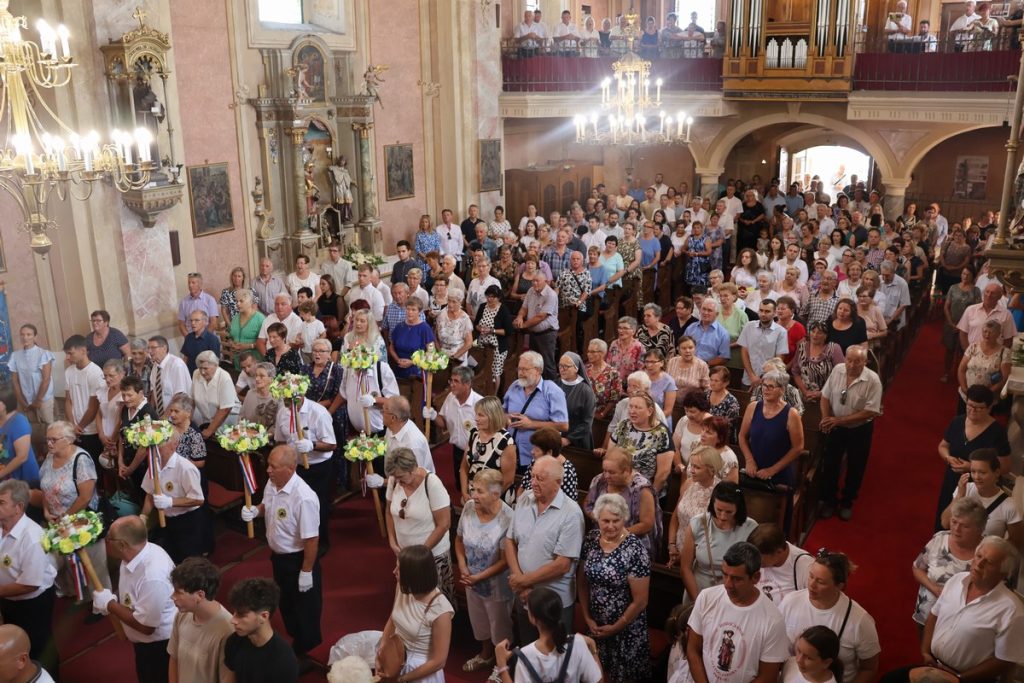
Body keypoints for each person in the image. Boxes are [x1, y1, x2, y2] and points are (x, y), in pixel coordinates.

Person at [880, 537, 1024, 683]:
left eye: (989, 562)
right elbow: (934, 615)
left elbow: (1005, 661)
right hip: (933, 665)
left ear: (1003, 574)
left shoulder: (1011, 610)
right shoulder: (957, 580)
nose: (979, 564)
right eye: (979, 556)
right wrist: (925, 652)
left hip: (968, 678)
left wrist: (958, 678)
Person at [239, 446, 322, 667]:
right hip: (279, 557)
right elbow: (268, 505)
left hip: (298, 559)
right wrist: (256, 510)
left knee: (304, 606)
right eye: (269, 465)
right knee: (286, 603)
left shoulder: (304, 497)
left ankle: (306, 652)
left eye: (273, 467)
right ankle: (296, 638)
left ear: (290, 468)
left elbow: (312, 539)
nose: (268, 470)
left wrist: (306, 571)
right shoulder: (273, 483)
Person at [504, 455, 585, 643]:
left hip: (553, 601)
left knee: (555, 655)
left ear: (558, 482)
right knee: (527, 646)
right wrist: (521, 583)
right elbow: (509, 541)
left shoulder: (571, 513)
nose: (533, 483)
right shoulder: (525, 499)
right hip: (524, 596)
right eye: (532, 476)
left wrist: (523, 581)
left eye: (540, 478)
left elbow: (562, 565)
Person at [686, 542, 789, 683]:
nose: (728, 584)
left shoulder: (773, 620)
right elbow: (693, 649)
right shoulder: (706, 598)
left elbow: (767, 676)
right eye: (725, 575)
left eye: (736, 579)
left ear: (756, 577)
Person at [33, 420, 111, 606]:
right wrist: (45, 510)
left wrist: (65, 517)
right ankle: (77, 593)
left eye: (53, 440)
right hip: (58, 521)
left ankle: (101, 603)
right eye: (47, 440)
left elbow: (85, 497)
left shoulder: (81, 460)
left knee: (93, 564)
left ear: (68, 440)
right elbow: (44, 487)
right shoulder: (50, 457)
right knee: (69, 561)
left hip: (81, 520)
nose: (49, 444)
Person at [92, 516, 177, 682]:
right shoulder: (133, 554)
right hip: (143, 642)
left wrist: (110, 604)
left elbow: (146, 627)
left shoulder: (152, 575)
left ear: (122, 545)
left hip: (159, 646)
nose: (106, 542)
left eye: (109, 539)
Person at [578, 492, 652, 682]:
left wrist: (617, 626)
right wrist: (587, 617)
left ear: (624, 519)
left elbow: (641, 600)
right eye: (605, 521)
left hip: (626, 628)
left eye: (616, 520)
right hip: (597, 625)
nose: (610, 526)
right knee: (596, 675)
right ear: (597, 519)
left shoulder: (635, 549)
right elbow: (582, 582)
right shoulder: (591, 540)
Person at [779, 549, 881, 683]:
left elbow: (869, 668)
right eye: (810, 576)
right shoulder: (790, 602)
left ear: (839, 586)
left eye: (820, 582)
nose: (811, 585)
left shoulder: (860, 621)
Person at [454, 469, 514, 678]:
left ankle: (501, 665)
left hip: (497, 585)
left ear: (496, 494)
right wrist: (463, 566)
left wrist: (479, 576)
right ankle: (486, 654)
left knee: (500, 626)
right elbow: (459, 540)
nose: (473, 495)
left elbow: (506, 560)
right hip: (471, 579)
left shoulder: (508, 518)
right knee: (479, 621)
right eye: (473, 489)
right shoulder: (469, 508)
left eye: (479, 491)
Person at [0, 480, 57, 677]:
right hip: (9, 598)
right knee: (16, 646)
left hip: (32, 603)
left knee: (37, 646)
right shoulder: (2, 526)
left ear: (18, 507)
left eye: (1, 502)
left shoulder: (32, 537)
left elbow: (30, 585)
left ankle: (46, 677)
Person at [819, 346, 883, 521]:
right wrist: (826, 418)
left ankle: (847, 501)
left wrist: (838, 420)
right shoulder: (838, 370)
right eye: (849, 360)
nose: (852, 365)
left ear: (865, 362)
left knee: (856, 467)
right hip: (835, 427)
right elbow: (825, 396)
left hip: (859, 430)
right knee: (831, 464)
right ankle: (829, 501)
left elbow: (871, 411)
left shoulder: (873, 380)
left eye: (857, 361)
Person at [384, 448, 453, 603]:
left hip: (431, 555)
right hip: (406, 555)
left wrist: (418, 555)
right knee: (410, 603)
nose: (397, 481)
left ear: (413, 469)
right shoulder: (395, 480)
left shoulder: (432, 483)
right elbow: (388, 512)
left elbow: (444, 524)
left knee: (434, 604)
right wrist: (392, 541)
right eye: (395, 477)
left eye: (401, 477)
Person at [378, 545, 454, 683]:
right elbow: (392, 619)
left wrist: (403, 679)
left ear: (413, 574)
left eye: (399, 569)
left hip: (420, 671)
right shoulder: (403, 587)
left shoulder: (440, 610)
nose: (394, 571)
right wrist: (381, 653)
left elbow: (439, 661)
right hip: (396, 659)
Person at [273, 388, 336, 553]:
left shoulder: (319, 412)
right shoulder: (283, 413)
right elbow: (280, 440)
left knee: (317, 505)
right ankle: (297, 541)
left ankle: (320, 543)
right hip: (294, 466)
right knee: (295, 503)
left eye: (290, 397)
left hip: (318, 466)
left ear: (301, 394)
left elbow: (331, 444)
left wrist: (312, 445)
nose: (287, 401)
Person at [495, 586, 602, 683]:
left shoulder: (526, 655)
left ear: (533, 618)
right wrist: (593, 647)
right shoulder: (578, 643)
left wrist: (502, 666)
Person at [913, 498, 988, 629]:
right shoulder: (940, 538)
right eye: (954, 522)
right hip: (926, 615)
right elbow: (917, 569)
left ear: (979, 529)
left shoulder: (988, 551)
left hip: (962, 626)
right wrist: (934, 588)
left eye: (964, 526)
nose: (956, 529)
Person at [680, 482, 759, 601]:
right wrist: (697, 600)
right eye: (719, 510)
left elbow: (756, 567)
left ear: (738, 509)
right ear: (712, 505)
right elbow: (685, 568)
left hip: (733, 593)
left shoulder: (751, 528)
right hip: (698, 590)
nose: (722, 516)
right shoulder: (698, 523)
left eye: (729, 512)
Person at [139, 431, 205, 563]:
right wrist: (143, 517)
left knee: (189, 561)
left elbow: (198, 499)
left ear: (174, 444)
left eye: (160, 443)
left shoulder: (186, 468)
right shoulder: (154, 465)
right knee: (170, 558)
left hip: (187, 522)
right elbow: (150, 494)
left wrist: (170, 501)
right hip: (167, 521)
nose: (155, 447)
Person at [583, 448, 660, 561]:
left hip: (631, 544)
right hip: (602, 538)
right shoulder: (600, 480)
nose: (606, 476)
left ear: (627, 471)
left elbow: (647, 524)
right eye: (605, 470)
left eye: (612, 472)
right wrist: (600, 519)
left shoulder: (641, 489)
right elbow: (588, 504)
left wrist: (617, 533)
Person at [167, 557, 234, 683]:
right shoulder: (182, 615)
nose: (172, 596)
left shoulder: (228, 631)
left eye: (178, 592)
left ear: (200, 595)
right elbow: (174, 658)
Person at [502, 351, 569, 471]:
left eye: (525, 369)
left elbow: (563, 426)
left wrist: (531, 424)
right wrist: (505, 418)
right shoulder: (514, 386)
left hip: (537, 456)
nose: (520, 373)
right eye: (519, 369)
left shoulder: (553, 391)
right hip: (510, 452)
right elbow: (502, 412)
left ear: (538, 370)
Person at [224, 578, 300, 682]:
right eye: (234, 612)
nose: (233, 620)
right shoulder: (233, 641)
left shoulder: (284, 661)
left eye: (241, 615)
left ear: (264, 616)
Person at [943, 448, 1023, 547]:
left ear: (997, 472)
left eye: (982, 472)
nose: (976, 477)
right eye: (973, 471)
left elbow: (1017, 543)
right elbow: (945, 523)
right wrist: (959, 496)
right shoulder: (965, 489)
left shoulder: (1009, 505)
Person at [739, 370, 805, 489]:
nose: (766, 389)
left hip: (779, 475)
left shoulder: (791, 414)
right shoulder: (753, 407)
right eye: (764, 385)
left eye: (771, 386)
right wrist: (749, 460)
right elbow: (742, 437)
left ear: (782, 389)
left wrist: (772, 470)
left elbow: (798, 448)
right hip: (753, 471)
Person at [606, 392, 673, 495]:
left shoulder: (661, 433)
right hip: (618, 485)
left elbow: (663, 473)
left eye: (638, 408)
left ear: (650, 411)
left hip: (645, 489)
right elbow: (609, 456)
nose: (632, 411)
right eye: (631, 406)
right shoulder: (623, 425)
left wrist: (650, 496)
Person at [432, 365, 482, 494]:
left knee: (477, 488)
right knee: (460, 487)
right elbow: (443, 424)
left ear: (467, 384)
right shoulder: (450, 398)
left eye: (456, 381)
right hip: (458, 451)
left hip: (477, 454)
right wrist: (433, 416)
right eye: (451, 380)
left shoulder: (479, 403)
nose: (452, 385)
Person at [957, 319, 1011, 409]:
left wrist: (987, 392)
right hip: (967, 395)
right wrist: (964, 388)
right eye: (985, 331)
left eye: (991, 332)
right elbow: (961, 370)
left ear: (998, 334)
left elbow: (1004, 378)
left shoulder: (1004, 352)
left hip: (987, 398)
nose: (987, 335)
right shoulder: (973, 347)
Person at [117, 376, 160, 488]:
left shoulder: (148, 413)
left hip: (143, 468)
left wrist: (130, 469)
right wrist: (120, 461)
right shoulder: (125, 408)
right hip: (126, 463)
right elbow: (122, 435)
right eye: (123, 395)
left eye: (129, 395)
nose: (125, 399)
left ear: (140, 393)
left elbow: (144, 448)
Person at [514, 273, 559, 379]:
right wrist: (520, 317)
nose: (534, 283)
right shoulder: (531, 291)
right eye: (533, 281)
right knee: (534, 363)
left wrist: (524, 325)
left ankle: (553, 389)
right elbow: (524, 308)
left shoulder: (551, 295)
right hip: (533, 333)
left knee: (547, 364)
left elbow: (540, 317)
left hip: (547, 334)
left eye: (537, 281)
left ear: (545, 282)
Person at [8, 325, 54, 427]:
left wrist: (38, 400)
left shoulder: (44, 354)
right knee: (29, 428)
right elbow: (15, 381)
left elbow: (46, 379)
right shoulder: (15, 356)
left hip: (43, 398)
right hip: (24, 400)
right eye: (22, 334)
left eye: (29, 334)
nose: (25, 337)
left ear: (35, 336)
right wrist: (21, 401)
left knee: (48, 427)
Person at [790, 322, 845, 401]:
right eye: (813, 331)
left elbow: (841, 375)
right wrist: (805, 391)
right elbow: (795, 372)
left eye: (819, 333)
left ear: (826, 335)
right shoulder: (802, 347)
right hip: (805, 397)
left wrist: (822, 393)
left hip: (829, 397)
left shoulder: (834, 349)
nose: (815, 335)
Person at [191, 351, 238, 439]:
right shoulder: (196, 373)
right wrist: (187, 421)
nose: (202, 372)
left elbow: (226, 408)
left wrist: (210, 429)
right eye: (200, 368)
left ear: (216, 365)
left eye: (206, 368)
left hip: (227, 421)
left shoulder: (224, 377)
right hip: (207, 420)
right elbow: (192, 400)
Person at [474, 285, 514, 386]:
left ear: (498, 297)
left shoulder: (503, 310)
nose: (489, 299)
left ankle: (493, 395)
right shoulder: (483, 306)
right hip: (482, 344)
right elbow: (476, 324)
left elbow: (508, 331)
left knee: (494, 373)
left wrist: (492, 330)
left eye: (493, 297)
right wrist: (480, 328)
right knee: (479, 368)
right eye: (488, 296)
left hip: (497, 346)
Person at [383, 396, 435, 473]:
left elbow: (414, 478)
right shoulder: (392, 427)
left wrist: (383, 482)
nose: (381, 414)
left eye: (383, 411)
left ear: (393, 418)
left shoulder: (413, 444)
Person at [556, 352, 596, 450]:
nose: (562, 369)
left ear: (576, 368)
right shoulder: (555, 384)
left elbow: (587, 422)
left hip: (578, 441)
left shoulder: (585, 391)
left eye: (566, 366)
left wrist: (568, 439)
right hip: (556, 439)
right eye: (560, 366)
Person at [0, 392, 39, 486]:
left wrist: (1, 474)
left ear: (6, 404)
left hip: (21, 477)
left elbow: (22, 457)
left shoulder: (19, 421)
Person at [148, 335, 192, 417]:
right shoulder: (155, 365)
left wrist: (165, 417)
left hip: (176, 416)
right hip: (162, 416)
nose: (149, 351)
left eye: (153, 348)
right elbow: (154, 390)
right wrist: (151, 413)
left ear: (164, 348)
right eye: (148, 348)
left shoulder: (176, 364)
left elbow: (179, 395)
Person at [226, 290, 266, 369]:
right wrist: (231, 343)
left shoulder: (260, 318)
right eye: (236, 301)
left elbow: (265, 342)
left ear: (250, 302)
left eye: (241, 301)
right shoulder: (235, 318)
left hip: (255, 363)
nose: (238, 304)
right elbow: (230, 336)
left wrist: (249, 346)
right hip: (238, 362)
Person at [585, 339, 622, 421]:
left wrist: (603, 414)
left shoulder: (612, 373)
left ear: (602, 353)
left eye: (593, 352)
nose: (589, 354)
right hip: (584, 415)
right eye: (588, 351)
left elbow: (615, 398)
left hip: (603, 418)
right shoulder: (584, 370)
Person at [689, 299, 732, 367]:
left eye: (709, 310)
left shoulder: (723, 333)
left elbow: (724, 357)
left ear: (717, 314)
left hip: (709, 369)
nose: (705, 313)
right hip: (688, 366)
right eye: (704, 309)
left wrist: (704, 364)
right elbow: (682, 346)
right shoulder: (691, 328)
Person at [435, 289, 473, 365]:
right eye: (449, 300)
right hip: (442, 354)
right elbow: (435, 335)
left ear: (460, 302)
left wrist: (454, 357)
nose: (450, 304)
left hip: (458, 358)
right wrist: (439, 352)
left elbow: (469, 343)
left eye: (454, 302)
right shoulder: (442, 314)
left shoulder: (464, 319)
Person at [240, 362, 279, 428]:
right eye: (256, 375)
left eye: (262, 376)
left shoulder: (277, 397)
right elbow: (241, 417)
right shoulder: (250, 394)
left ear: (271, 379)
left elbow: (276, 426)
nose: (257, 379)